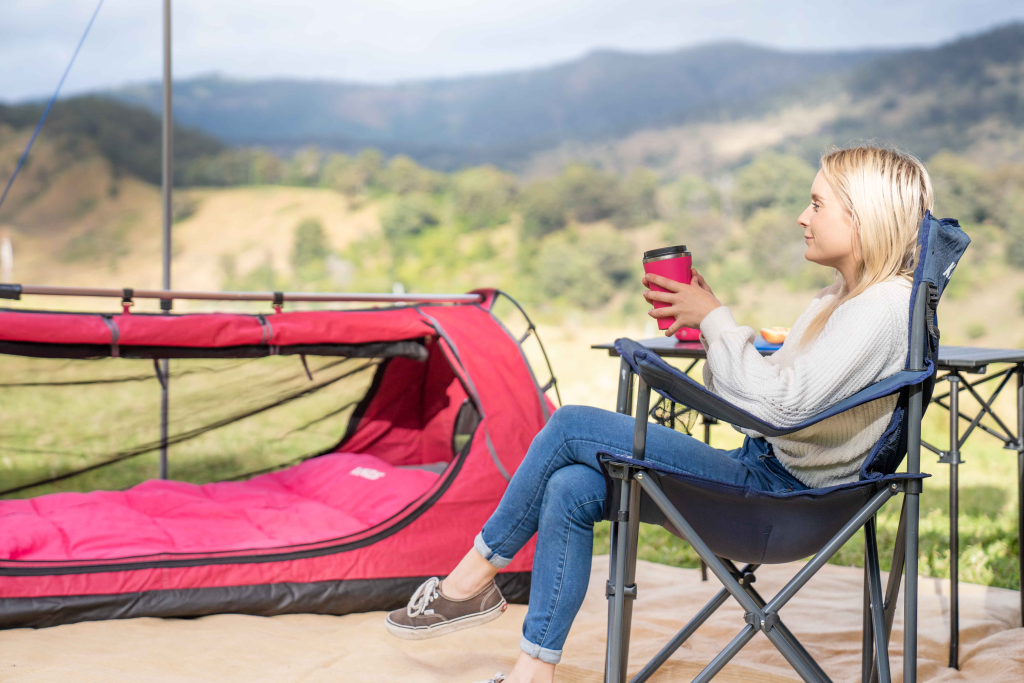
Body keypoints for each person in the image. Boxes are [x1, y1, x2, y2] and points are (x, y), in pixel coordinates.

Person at [384, 145, 934, 683]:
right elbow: (755, 406)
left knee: (572, 424)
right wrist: (707, 330)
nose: (801, 217)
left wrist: (718, 319)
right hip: (770, 482)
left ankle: (466, 586)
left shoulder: (882, 308)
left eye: (817, 205)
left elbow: (777, 409)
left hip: (786, 506)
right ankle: (534, 672)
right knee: (572, 487)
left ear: (863, 215)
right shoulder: (838, 299)